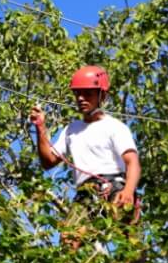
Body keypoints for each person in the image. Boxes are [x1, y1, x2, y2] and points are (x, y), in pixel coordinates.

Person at [30, 65, 140, 215]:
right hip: (86, 194)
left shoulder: (114, 126)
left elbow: (132, 162)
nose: (81, 98)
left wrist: (128, 191)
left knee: (129, 235)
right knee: (70, 237)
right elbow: (48, 161)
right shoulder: (71, 130)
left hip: (114, 187)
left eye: (88, 93)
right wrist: (40, 127)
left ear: (102, 96)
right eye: (78, 93)